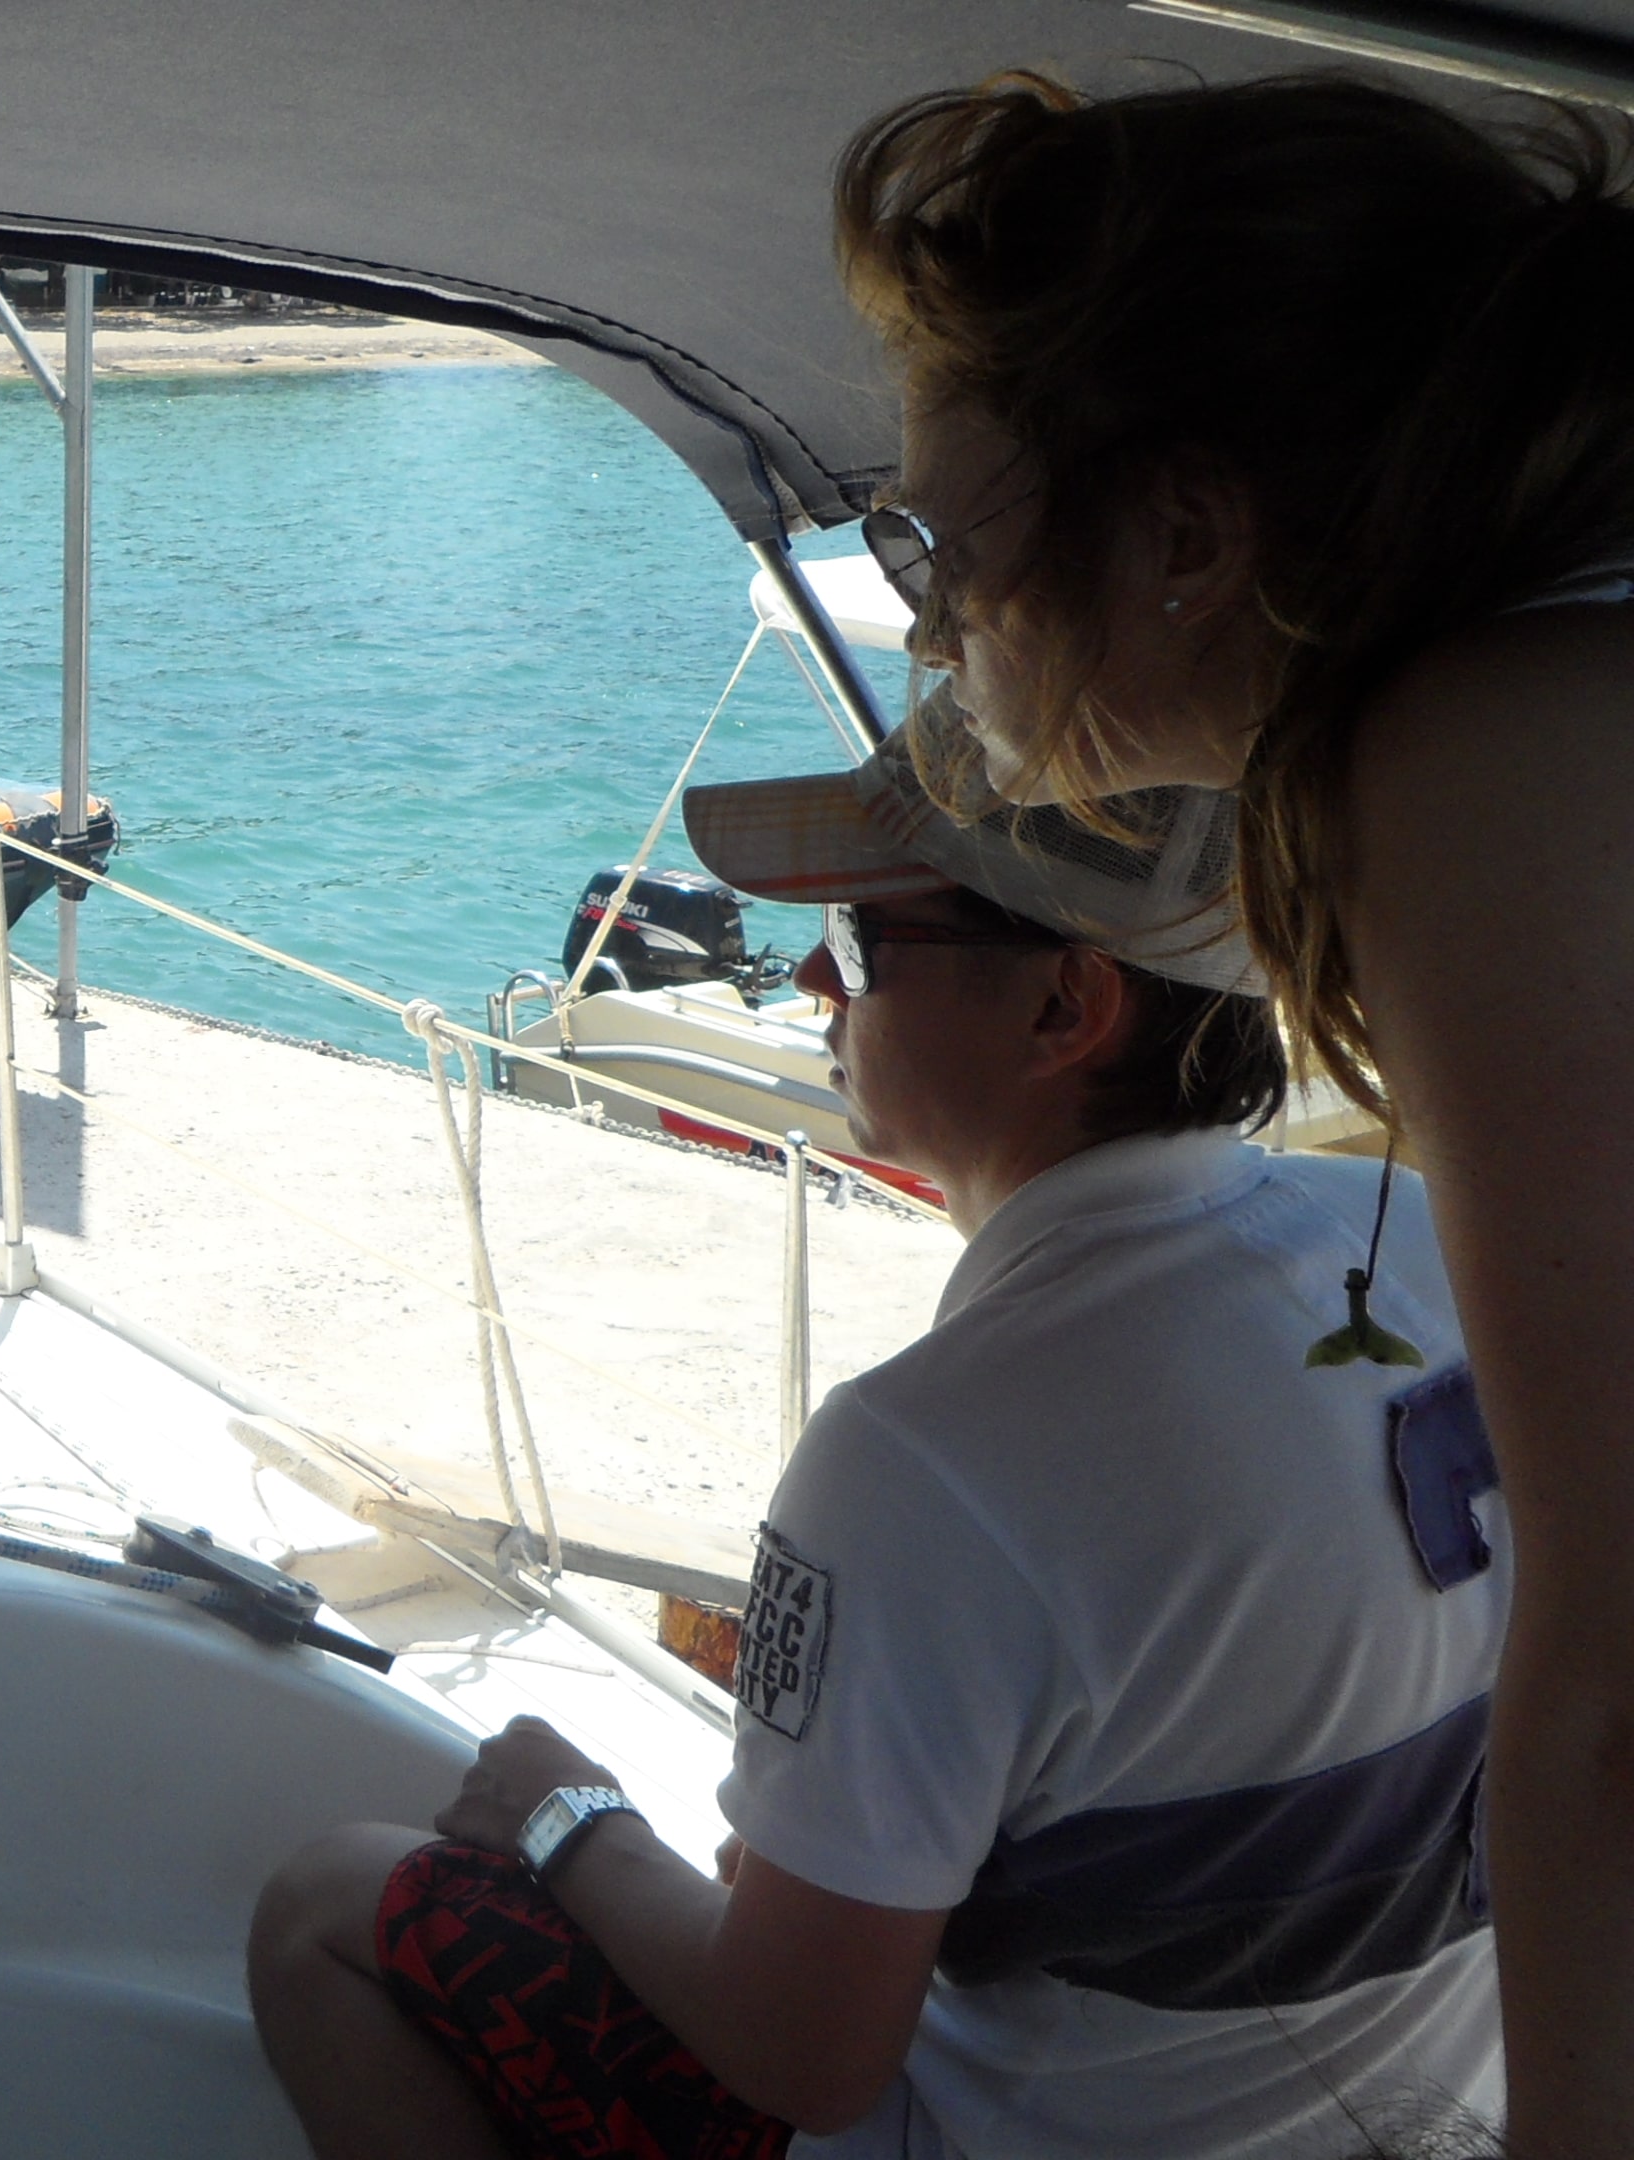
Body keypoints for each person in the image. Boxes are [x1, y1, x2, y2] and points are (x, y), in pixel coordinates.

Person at [247, 735, 1508, 2160]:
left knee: (325, 1905)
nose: (809, 977)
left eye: (861, 940)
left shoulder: (926, 1454)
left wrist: (567, 1816)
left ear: (1065, 1004)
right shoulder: (1420, 1245)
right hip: (1429, 2114)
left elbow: (804, 2056)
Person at [825, 74, 1634, 2148]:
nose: (927, 619)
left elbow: (1617, 1679)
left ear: (1183, 534)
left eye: (938, 544)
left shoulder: (1477, 746)